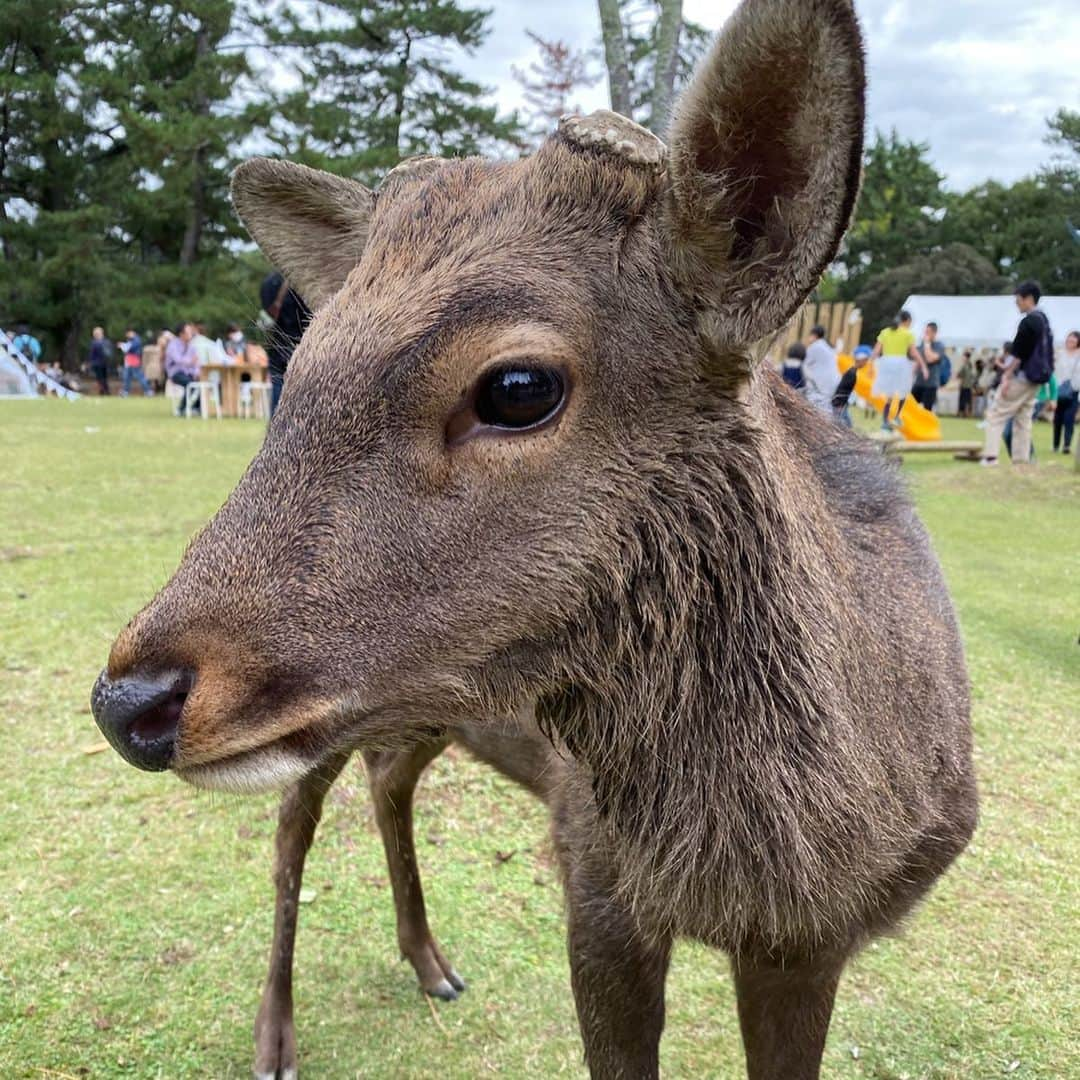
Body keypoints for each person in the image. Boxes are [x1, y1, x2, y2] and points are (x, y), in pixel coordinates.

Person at [981, 281, 1055, 467]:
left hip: (1022, 377)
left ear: (1028, 299)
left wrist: (1007, 376)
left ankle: (991, 457)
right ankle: (1021, 460)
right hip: (1038, 378)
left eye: (1018, 299)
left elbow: (1018, 354)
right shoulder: (1044, 320)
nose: (1016, 303)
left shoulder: (1028, 322)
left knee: (996, 413)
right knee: (1023, 417)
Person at [260, 271, 311, 415]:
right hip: (300, 343)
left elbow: (267, 313)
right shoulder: (301, 281)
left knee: (277, 386)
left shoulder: (268, 283)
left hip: (277, 343)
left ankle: (276, 423)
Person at [871, 310, 927, 432]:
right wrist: (923, 365)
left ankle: (885, 421)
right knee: (904, 391)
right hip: (901, 364)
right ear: (906, 321)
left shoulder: (885, 332)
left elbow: (876, 350)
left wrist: (871, 365)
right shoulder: (907, 334)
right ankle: (896, 416)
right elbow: (913, 352)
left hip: (886, 364)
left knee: (889, 395)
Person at [1052, 330, 1080, 455]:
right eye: (1069, 339)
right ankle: (1055, 445)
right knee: (1058, 419)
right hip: (1059, 390)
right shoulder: (1060, 353)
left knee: (1069, 419)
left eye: (1073, 340)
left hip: (1074, 391)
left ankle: (1067, 445)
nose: (1070, 342)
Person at [164, 322, 201, 413]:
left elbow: (196, 363)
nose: (191, 334)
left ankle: (197, 408)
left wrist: (196, 373)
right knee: (190, 383)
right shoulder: (173, 345)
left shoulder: (192, 346)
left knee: (200, 382)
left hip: (189, 373)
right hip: (175, 373)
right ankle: (181, 409)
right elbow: (178, 360)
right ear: (181, 334)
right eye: (188, 332)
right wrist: (190, 362)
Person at [831, 345, 871, 427]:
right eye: (865, 360)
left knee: (847, 425)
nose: (866, 363)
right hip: (840, 405)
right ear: (860, 360)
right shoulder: (852, 373)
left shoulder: (852, 371)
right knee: (845, 426)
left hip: (841, 404)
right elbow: (841, 390)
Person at [803, 324, 840, 413]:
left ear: (814, 335)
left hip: (821, 385)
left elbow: (804, 364)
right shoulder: (828, 347)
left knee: (817, 409)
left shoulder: (815, 347)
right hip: (833, 383)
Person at [911, 322, 945, 413]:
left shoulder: (939, 345)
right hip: (919, 381)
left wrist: (927, 344)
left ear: (934, 333)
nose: (925, 334)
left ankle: (926, 427)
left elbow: (930, 359)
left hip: (931, 383)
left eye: (928, 332)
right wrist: (912, 372)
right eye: (925, 331)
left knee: (927, 410)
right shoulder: (922, 344)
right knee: (910, 405)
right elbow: (918, 359)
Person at [119, 328, 153, 397]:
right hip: (129, 361)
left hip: (134, 361)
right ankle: (125, 392)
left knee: (140, 377)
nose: (127, 336)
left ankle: (148, 391)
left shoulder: (136, 340)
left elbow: (130, 348)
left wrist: (122, 345)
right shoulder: (132, 340)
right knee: (127, 377)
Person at [88, 326, 112, 395]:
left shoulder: (95, 343)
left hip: (98, 363)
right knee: (103, 378)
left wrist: (90, 362)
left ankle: (104, 391)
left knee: (101, 378)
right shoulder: (106, 341)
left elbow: (92, 354)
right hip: (103, 363)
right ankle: (105, 391)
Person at [957, 350, 976, 418]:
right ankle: (966, 414)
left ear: (966, 357)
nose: (962, 358)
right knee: (968, 401)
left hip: (964, 385)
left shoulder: (965, 365)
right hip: (968, 386)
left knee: (963, 400)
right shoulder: (970, 365)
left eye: (963, 356)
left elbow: (959, 374)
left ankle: (962, 414)